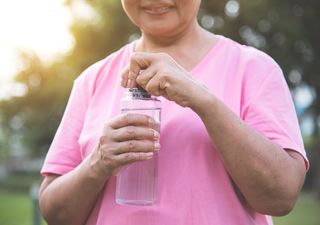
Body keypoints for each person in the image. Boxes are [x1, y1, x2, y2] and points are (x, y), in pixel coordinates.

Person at [39, 1, 309, 225]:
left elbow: (280, 197)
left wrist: (204, 100)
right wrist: (97, 163)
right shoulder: (92, 80)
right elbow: (55, 214)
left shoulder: (254, 69)